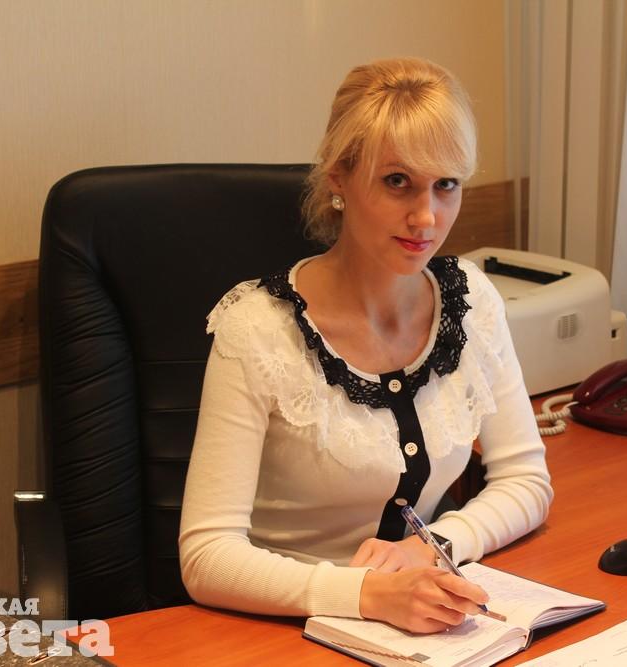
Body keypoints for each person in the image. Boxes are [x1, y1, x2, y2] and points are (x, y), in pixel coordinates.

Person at [178, 57, 553, 634]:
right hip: (279, 629)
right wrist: (367, 594)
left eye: (446, 185)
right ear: (339, 178)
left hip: (422, 620)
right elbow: (206, 557)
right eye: (397, 181)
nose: (426, 217)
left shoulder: (471, 299)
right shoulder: (257, 328)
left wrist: (433, 548)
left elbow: (526, 480)